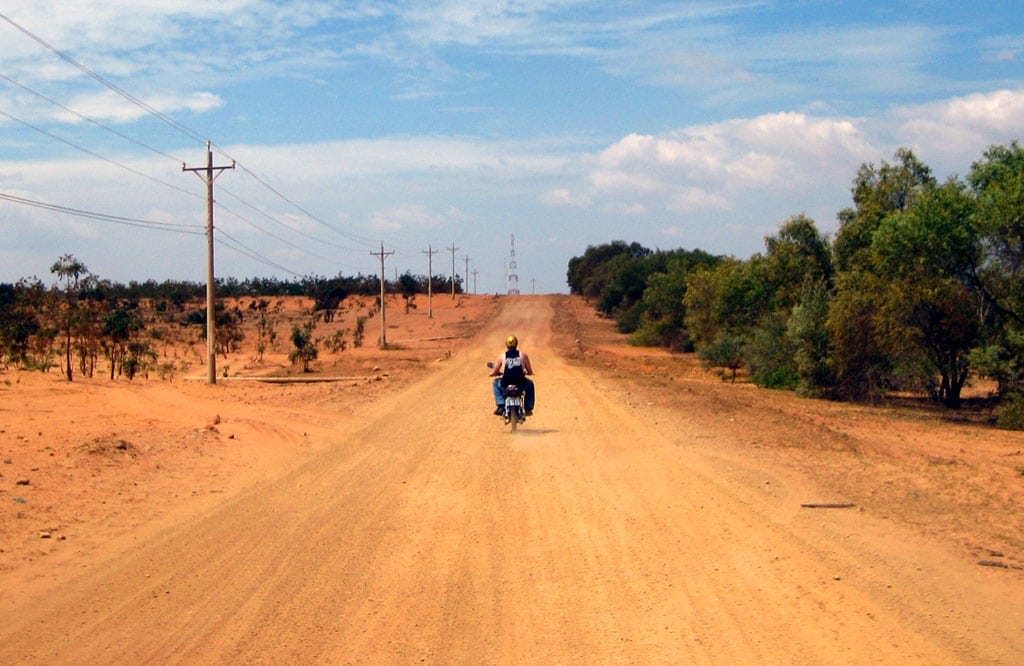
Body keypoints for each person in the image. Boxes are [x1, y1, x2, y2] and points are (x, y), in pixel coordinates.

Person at [489, 334, 535, 416]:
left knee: (495, 383)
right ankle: (528, 408)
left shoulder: (502, 356)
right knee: (530, 384)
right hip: (521, 384)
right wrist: (527, 373)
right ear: (516, 344)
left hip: (506, 383)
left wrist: (492, 374)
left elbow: (495, 372)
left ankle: (500, 405)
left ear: (506, 344)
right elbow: (530, 371)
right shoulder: (523, 355)